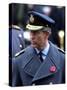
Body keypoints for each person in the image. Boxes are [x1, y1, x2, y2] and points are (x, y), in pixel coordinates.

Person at [11, 11, 65, 86]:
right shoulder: (19, 61)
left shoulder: (62, 59)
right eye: (30, 32)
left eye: (35, 32)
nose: (31, 37)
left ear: (47, 34)